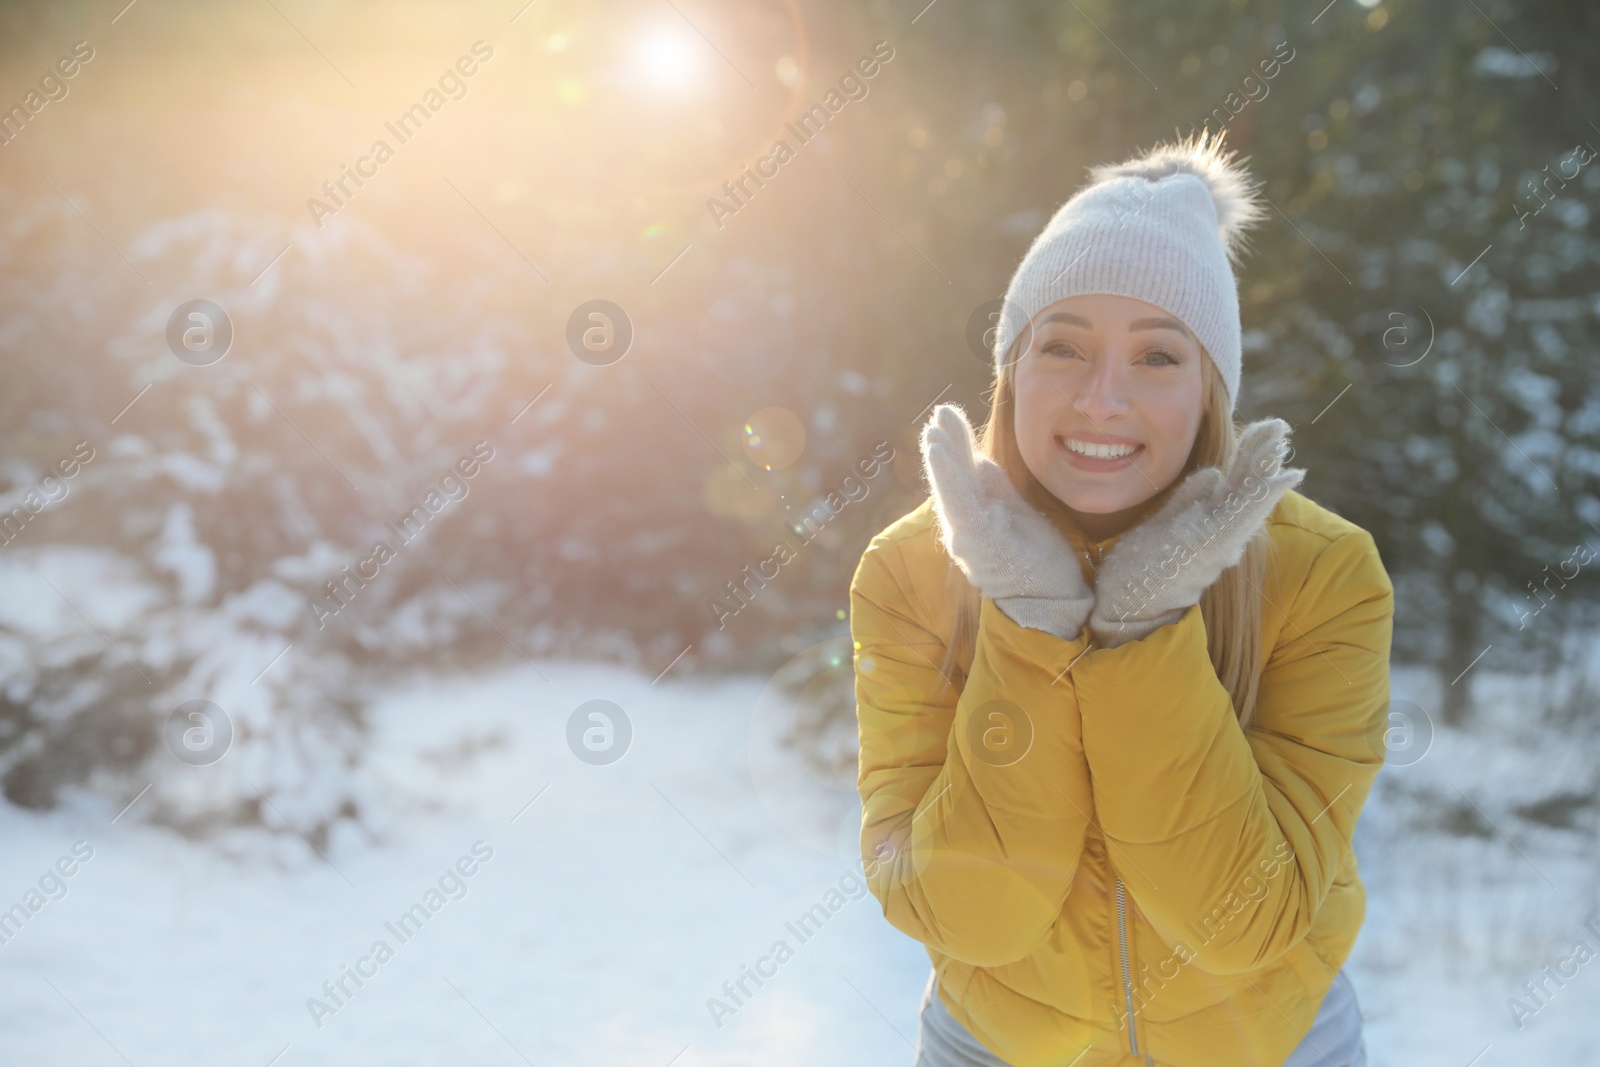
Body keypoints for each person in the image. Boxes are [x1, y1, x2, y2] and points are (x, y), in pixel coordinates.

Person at [849, 131, 1392, 1067]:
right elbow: (967, 911)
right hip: (1001, 1044)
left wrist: (1145, 622)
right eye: (1062, 346)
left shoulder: (1326, 573)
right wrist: (1028, 614)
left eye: (1157, 357)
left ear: (1209, 389)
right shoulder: (910, 572)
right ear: (1011, 370)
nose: (1103, 399)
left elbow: (1246, 919)